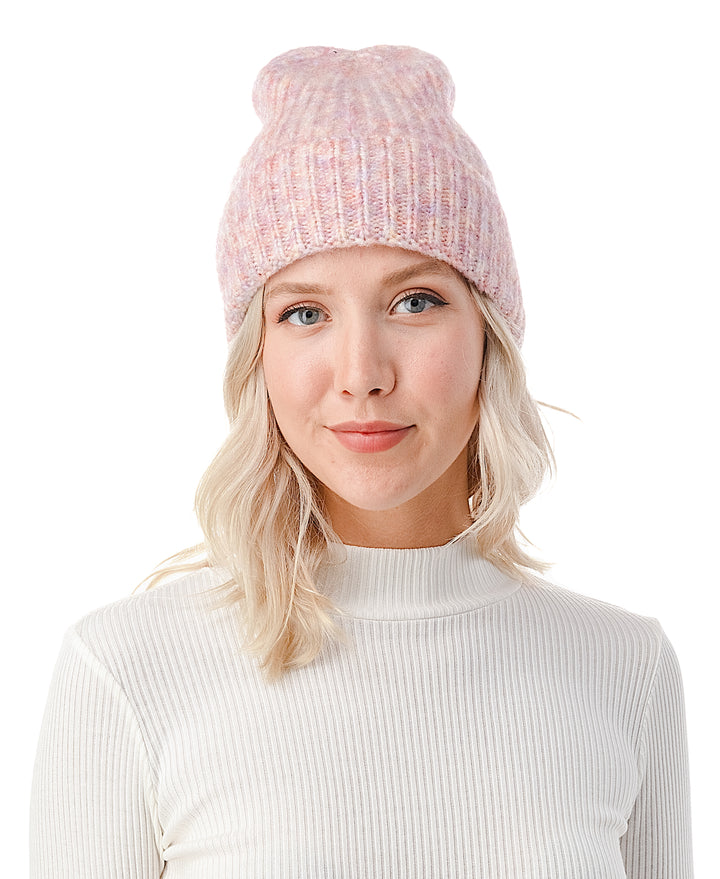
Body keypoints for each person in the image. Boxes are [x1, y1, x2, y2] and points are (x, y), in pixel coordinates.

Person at [29, 45, 694, 877]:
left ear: (489, 335)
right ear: (257, 355)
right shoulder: (126, 672)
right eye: (305, 313)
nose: (361, 374)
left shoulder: (624, 669)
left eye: (415, 301)